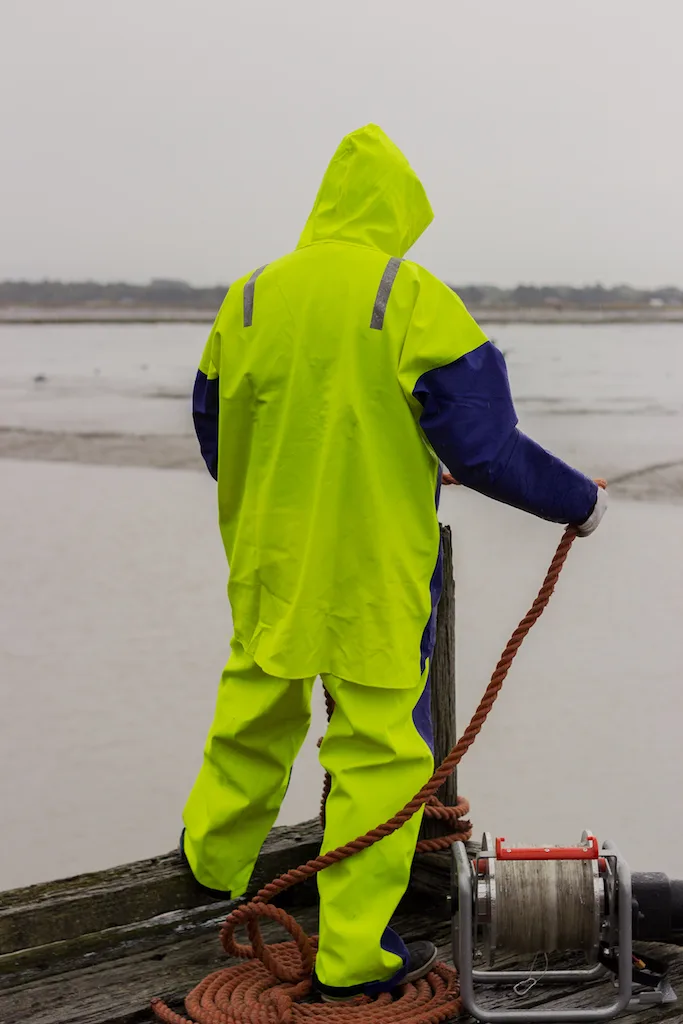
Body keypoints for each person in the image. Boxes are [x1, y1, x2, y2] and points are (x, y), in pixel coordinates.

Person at [181, 124, 607, 1002]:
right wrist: (579, 500)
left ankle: (208, 882)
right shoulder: (407, 293)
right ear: (401, 212)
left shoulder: (249, 295)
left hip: (267, 554)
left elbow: (218, 433)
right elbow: (484, 445)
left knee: (253, 711)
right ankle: (349, 961)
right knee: (379, 749)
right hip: (372, 566)